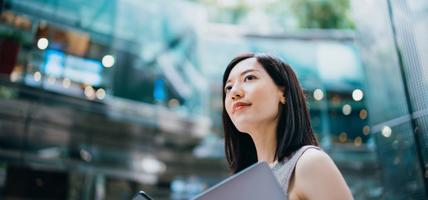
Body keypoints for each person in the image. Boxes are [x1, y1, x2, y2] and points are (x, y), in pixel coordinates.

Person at [222, 53, 353, 200]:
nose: (234, 92)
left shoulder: (309, 163)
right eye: (228, 87)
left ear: (283, 93)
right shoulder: (244, 186)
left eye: (249, 78)